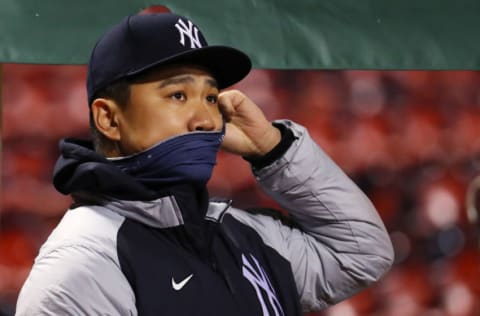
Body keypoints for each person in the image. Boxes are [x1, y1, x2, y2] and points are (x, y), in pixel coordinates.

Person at [15, 12, 394, 316]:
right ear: (109, 119)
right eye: (178, 95)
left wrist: (273, 150)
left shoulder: (243, 233)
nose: (207, 121)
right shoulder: (79, 268)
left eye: (211, 98)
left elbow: (361, 254)